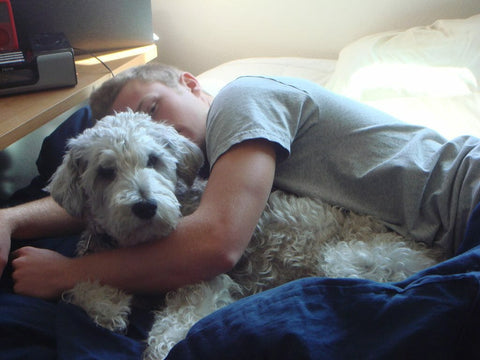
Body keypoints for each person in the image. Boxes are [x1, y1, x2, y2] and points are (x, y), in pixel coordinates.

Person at [1, 61, 480, 303]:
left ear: (190, 83)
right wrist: (13, 219)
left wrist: (68, 274)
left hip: (466, 193)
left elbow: (216, 245)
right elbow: (103, 193)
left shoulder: (241, 99)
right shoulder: (214, 168)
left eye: (152, 109)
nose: (156, 131)